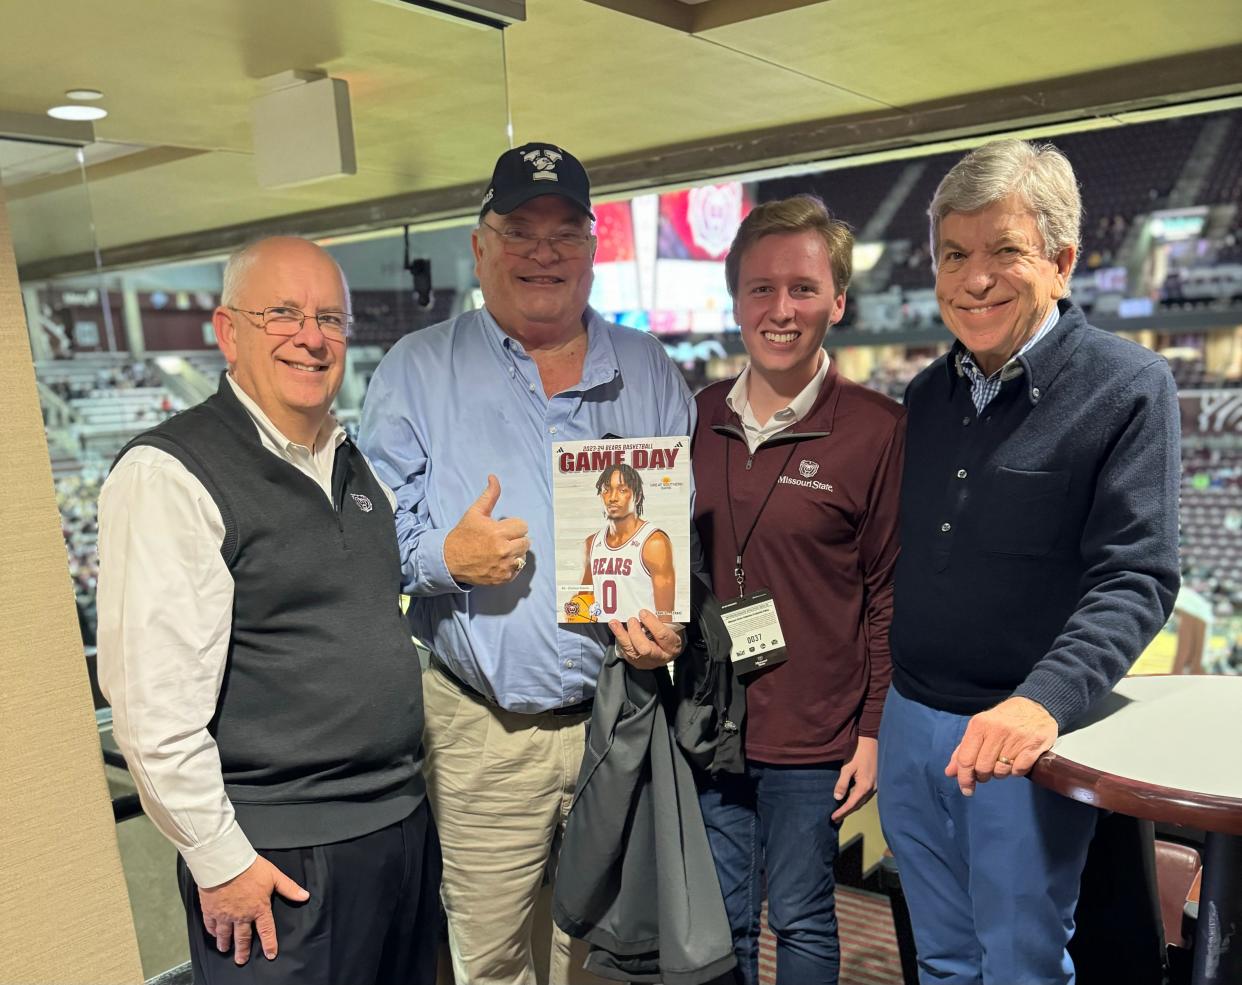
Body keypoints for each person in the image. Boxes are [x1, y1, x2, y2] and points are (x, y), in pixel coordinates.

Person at [358, 142, 693, 985]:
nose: (542, 252)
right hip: (480, 730)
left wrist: (668, 616)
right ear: (480, 246)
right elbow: (366, 553)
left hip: (617, 719)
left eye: (566, 233)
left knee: (608, 946)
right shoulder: (416, 370)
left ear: (592, 248)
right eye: (518, 230)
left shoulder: (648, 367)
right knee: (494, 951)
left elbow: (683, 536)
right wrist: (446, 556)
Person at [96, 237, 439, 985]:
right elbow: (152, 712)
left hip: (397, 831)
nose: (311, 337)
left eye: (330, 318)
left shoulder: (350, 460)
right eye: (281, 313)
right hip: (282, 857)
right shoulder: (171, 474)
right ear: (228, 331)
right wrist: (220, 861)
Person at [879, 139, 1181, 985]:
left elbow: (1138, 576)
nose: (974, 278)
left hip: (1016, 740)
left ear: (1061, 261)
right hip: (911, 721)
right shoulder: (929, 395)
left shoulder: (1129, 385)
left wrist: (1039, 704)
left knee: (1019, 966)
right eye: (954, 254)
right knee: (938, 957)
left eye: (1004, 250)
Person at [691, 195, 905, 985]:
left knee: (806, 917)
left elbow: (887, 592)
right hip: (713, 720)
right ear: (736, 300)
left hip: (817, 735)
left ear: (838, 301)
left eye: (804, 289)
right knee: (724, 920)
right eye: (760, 289)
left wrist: (873, 729)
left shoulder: (879, 429)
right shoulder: (699, 415)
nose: (781, 310)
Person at [581, 462, 675, 622]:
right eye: (606, 490)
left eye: (622, 490)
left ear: (637, 496)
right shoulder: (592, 542)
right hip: (601, 636)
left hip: (644, 636)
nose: (612, 498)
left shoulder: (654, 542)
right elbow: (583, 604)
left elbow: (666, 619)